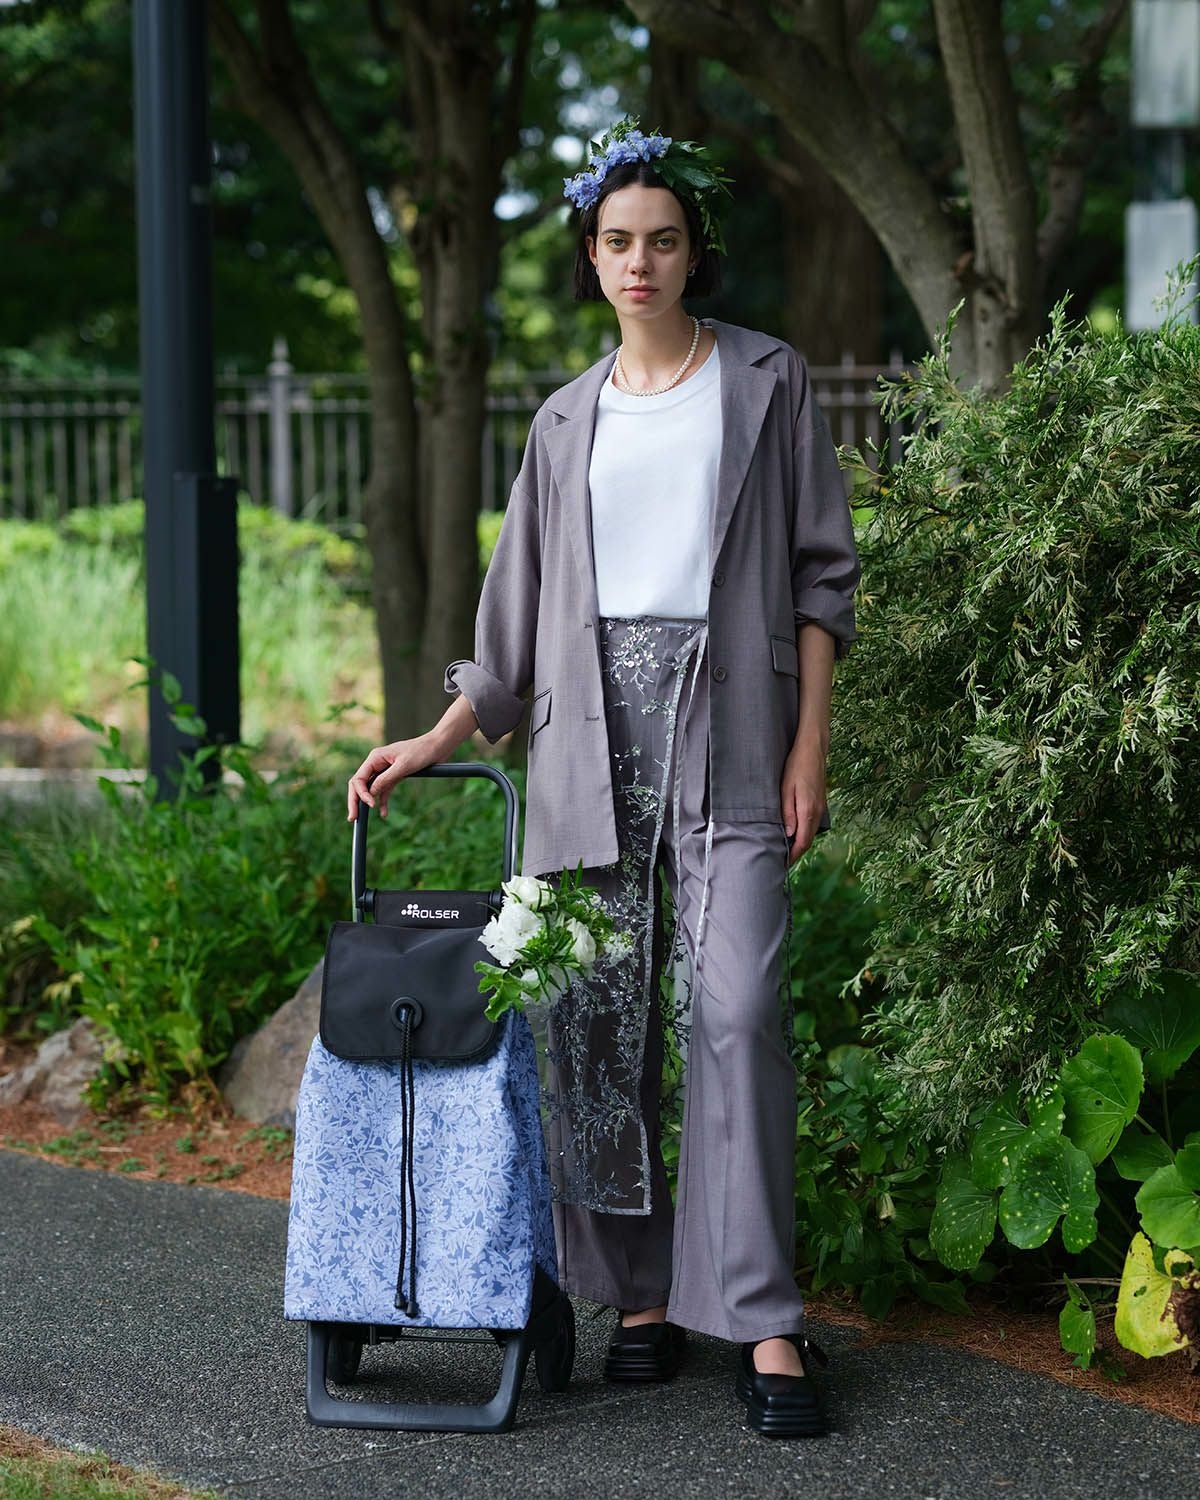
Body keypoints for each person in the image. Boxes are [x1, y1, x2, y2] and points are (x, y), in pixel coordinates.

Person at [347, 117, 860, 1440]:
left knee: (737, 1009)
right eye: (619, 241)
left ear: (694, 253)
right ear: (592, 256)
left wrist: (811, 748)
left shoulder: (768, 380)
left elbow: (821, 578)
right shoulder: (565, 417)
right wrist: (435, 737)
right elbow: (514, 619)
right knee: (595, 1023)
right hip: (588, 740)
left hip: (734, 729)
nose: (641, 262)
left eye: (664, 241)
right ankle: (637, 1296)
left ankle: (760, 1316)